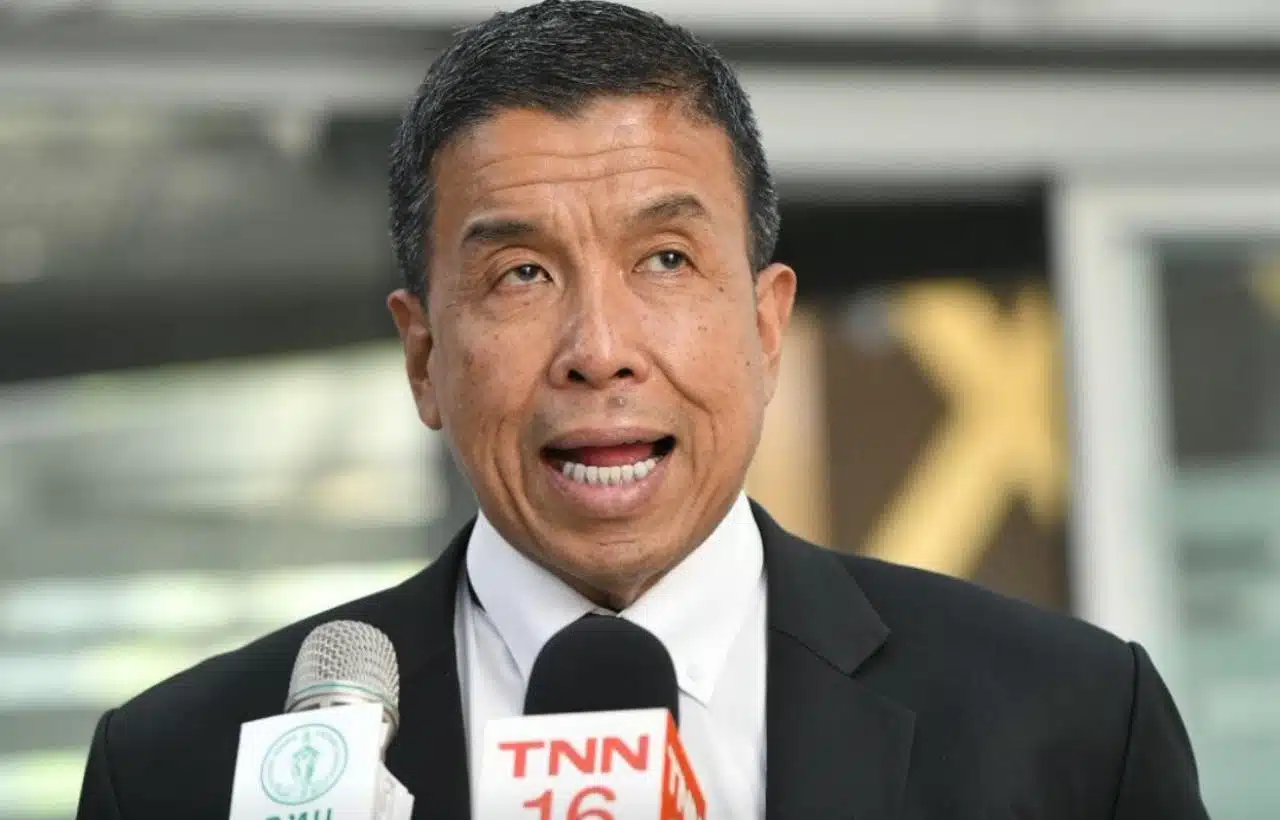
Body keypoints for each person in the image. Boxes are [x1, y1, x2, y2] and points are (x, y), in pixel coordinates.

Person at [76, 1, 1211, 817]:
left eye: (664, 259)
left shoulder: (1067, 725)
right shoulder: (181, 769)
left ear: (766, 325)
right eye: (521, 274)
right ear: (423, 355)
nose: (599, 351)